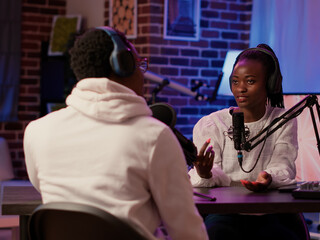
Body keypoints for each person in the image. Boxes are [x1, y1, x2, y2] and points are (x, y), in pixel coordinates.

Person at [24, 27, 208, 240]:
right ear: (123, 64)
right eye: (139, 64)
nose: (143, 74)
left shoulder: (37, 131)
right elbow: (187, 231)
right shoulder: (154, 136)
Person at [188, 44, 301, 239]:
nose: (240, 88)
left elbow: (283, 165)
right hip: (224, 213)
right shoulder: (212, 124)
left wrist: (268, 177)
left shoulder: (283, 120)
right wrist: (205, 173)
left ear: (270, 84)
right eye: (235, 81)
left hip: (270, 211)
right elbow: (216, 174)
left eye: (250, 81)